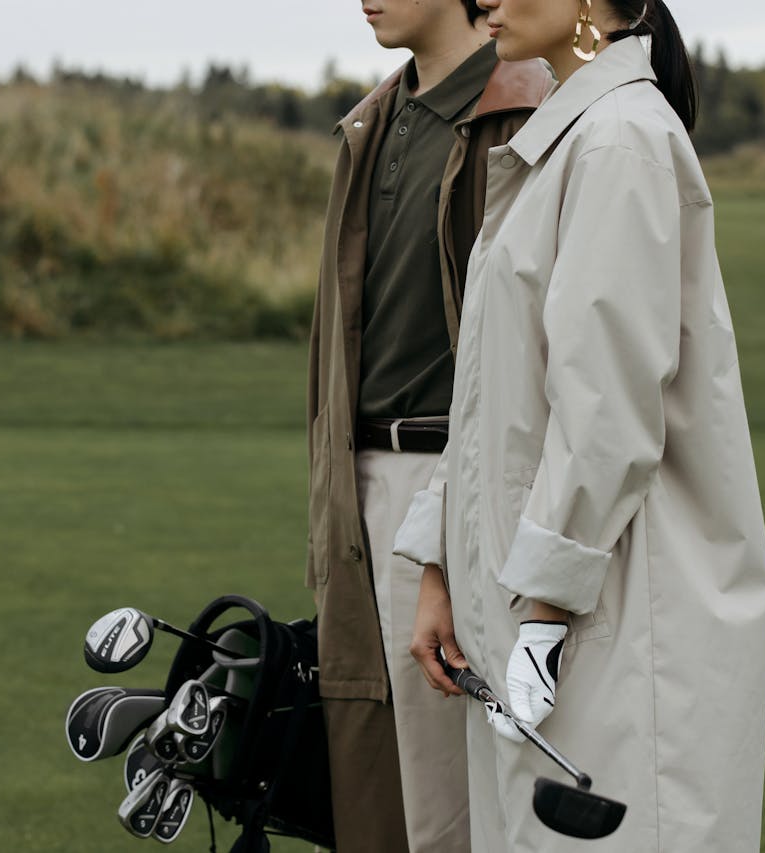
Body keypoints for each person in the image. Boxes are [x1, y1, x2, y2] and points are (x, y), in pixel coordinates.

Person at [392, 0, 765, 850]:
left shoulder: (617, 140)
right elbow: (493, 394)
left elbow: (608, 404)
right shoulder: (567, 139)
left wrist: (548, 607)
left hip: (610, 611)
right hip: (536, 605)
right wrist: (440, 564)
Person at [305, 1, 551, 851]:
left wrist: (448, 531)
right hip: (360, 484)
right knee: (380, 785)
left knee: (450, 803)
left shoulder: (524, 109)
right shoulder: (377, 116)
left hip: (456, 485)